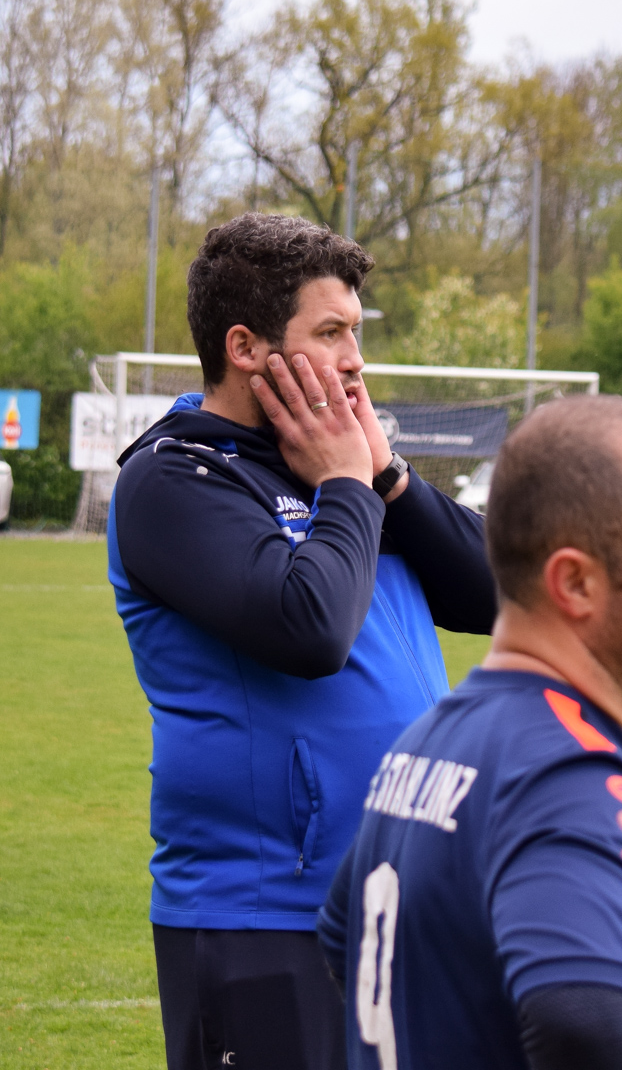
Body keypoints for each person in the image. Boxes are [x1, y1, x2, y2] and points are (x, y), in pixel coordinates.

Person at [107, 212, 496, 1070]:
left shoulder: (351, 470)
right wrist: (348, 486)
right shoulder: (173, 478)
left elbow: (504, 594)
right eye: (330, 333)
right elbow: (309, 628)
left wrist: (388, 478)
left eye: (356, 331)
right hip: (263, 918)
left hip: (407, 896)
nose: (355, 359)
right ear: (245, 347)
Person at [319, 395, 622, 1070]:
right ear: (575, 583)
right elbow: (587, 1026)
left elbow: (340, 934)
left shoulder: (429, 741)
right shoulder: (562, 780)